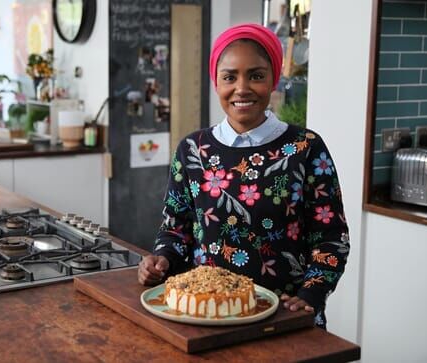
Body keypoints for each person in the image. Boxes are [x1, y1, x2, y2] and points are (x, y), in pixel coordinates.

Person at [137, 23, 350, 329]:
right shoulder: (193, 150)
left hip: (285, 318)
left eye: (256, 75)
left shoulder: (305, 148)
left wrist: (312, 293)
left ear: (273, 79)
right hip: (203, 316)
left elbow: (331, 238)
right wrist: (161, 259)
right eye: (229, 77)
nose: (242, 88)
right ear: (216, 82)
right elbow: (176, 229)